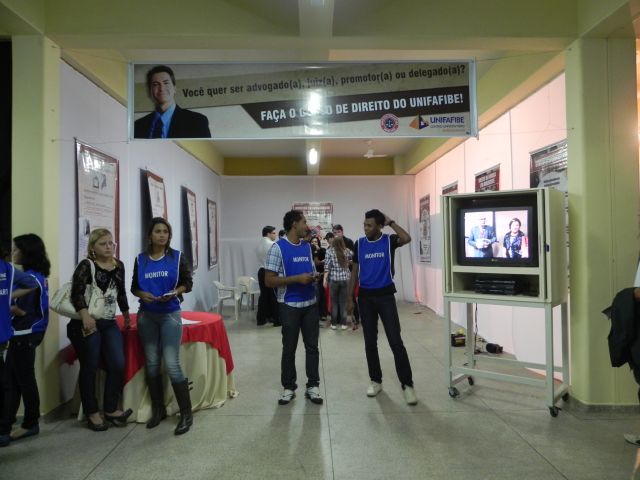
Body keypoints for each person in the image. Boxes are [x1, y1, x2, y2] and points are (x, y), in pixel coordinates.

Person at [347, 210, 417, 405]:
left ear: (379, 226)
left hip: (386, 297)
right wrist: (350, 298)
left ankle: (407, 385)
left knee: (395, 341)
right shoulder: (359, 244)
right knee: (370, 342)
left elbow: (407, 238)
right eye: (364, 224)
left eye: (369, 225)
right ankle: (376, 381)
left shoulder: (389, 241)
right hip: (365, 298)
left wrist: (391, 222)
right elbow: (354, 273)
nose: (365, 228)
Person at [131, 217, 194, 435]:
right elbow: (134, 287)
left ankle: (186, 413)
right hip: (146, 316)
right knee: (151, 362)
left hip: (170, 315)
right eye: (158, 231)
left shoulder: (177, 257)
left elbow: (188, 283)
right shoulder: (140, 260)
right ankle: (158, 409)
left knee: (172, 363)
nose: (162, 235)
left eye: (165, 232)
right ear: (150, 235)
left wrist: (175, 292)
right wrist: (142, 294)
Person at [66, 229, 132, 432]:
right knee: (90, 367)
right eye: (103, 243)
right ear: (93, 247)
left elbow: (121, 292)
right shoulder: (87, 265)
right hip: (86, 323)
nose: (108, 247)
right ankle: (92, 412)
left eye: (111, 243)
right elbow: (76, 293)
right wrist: (85, 316)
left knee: (118, 363)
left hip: (109, 322)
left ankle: (110, 409)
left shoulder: (118, 265)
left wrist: (126, 314)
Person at [264, 210, 323, 406]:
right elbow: (269, 281)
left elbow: (310, 270)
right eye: (304, 222)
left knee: (312, 348)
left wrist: (313, 277)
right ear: (294, 224)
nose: (307, 226)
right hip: (289, 306)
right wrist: (297, 279)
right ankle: (289, 387)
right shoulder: (277, 248)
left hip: (310, 304)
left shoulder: (307, 247)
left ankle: (313, 386)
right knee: (289, 348)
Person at [0, 234, 51, 446]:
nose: (13, 253)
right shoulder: (36, 274)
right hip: (25, 332)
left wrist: (8, 304)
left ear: (27, 252)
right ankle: (8, 422)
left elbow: (21, 310)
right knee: (13, 380)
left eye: (16, 249)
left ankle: (29, 423)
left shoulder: (32, 278)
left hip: (26, 332)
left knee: (23, 379)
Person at [134, 65, 211, 139]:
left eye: (166, 83)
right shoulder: (137, 125)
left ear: (174, 88)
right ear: (150, 91)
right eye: (155, 84)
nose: (161, 88)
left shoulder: (197, 121)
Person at [323, 236, 352, 330]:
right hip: (345, 279)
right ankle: (344, 324)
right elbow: (353, 257)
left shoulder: (329, 251)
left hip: (334, 280)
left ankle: (334, 324)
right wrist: (348, 262)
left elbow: (327, 267)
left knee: (334, 303)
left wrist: (324, 280)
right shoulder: (346, 251)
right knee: (343, 303)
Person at [256, 225, 279, 326]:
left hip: (261, 271)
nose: (275, 235)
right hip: (270, 272)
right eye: (274, 233)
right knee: (274, 296)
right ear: (268, 234)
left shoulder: (259, 244)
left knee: (264, 296)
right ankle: (277, 320)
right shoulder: (273, 244)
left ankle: (261, 319)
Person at [310, 236, 327, 324]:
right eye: (312, 242)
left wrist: (319, 250)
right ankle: (315, 315)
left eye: (316, 241)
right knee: (315, 296)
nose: (314, 243)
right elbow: (316, 263)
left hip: (321, 275)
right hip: (313, 276)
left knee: (322, 295)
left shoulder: (323, 250)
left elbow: (325, 261)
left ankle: (323, 314)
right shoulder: (309, 251)